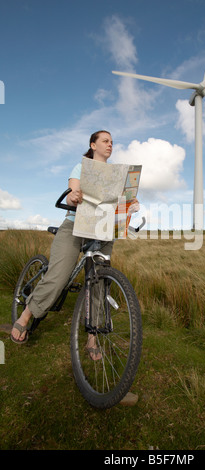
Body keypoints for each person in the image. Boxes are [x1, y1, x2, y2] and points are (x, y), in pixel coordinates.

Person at [11, 130, 139, 361]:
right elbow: (72, 193)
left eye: (112, 142)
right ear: (93, 145)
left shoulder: (119, 175)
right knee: (58, 276)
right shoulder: (81, 168)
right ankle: (26, 315)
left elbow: (120, 203)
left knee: (99, 283)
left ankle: (92, 336)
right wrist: (73, 197)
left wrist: (131, 204)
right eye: (105, 141)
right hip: (74, 225)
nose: (111, 144)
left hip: (102, 229)